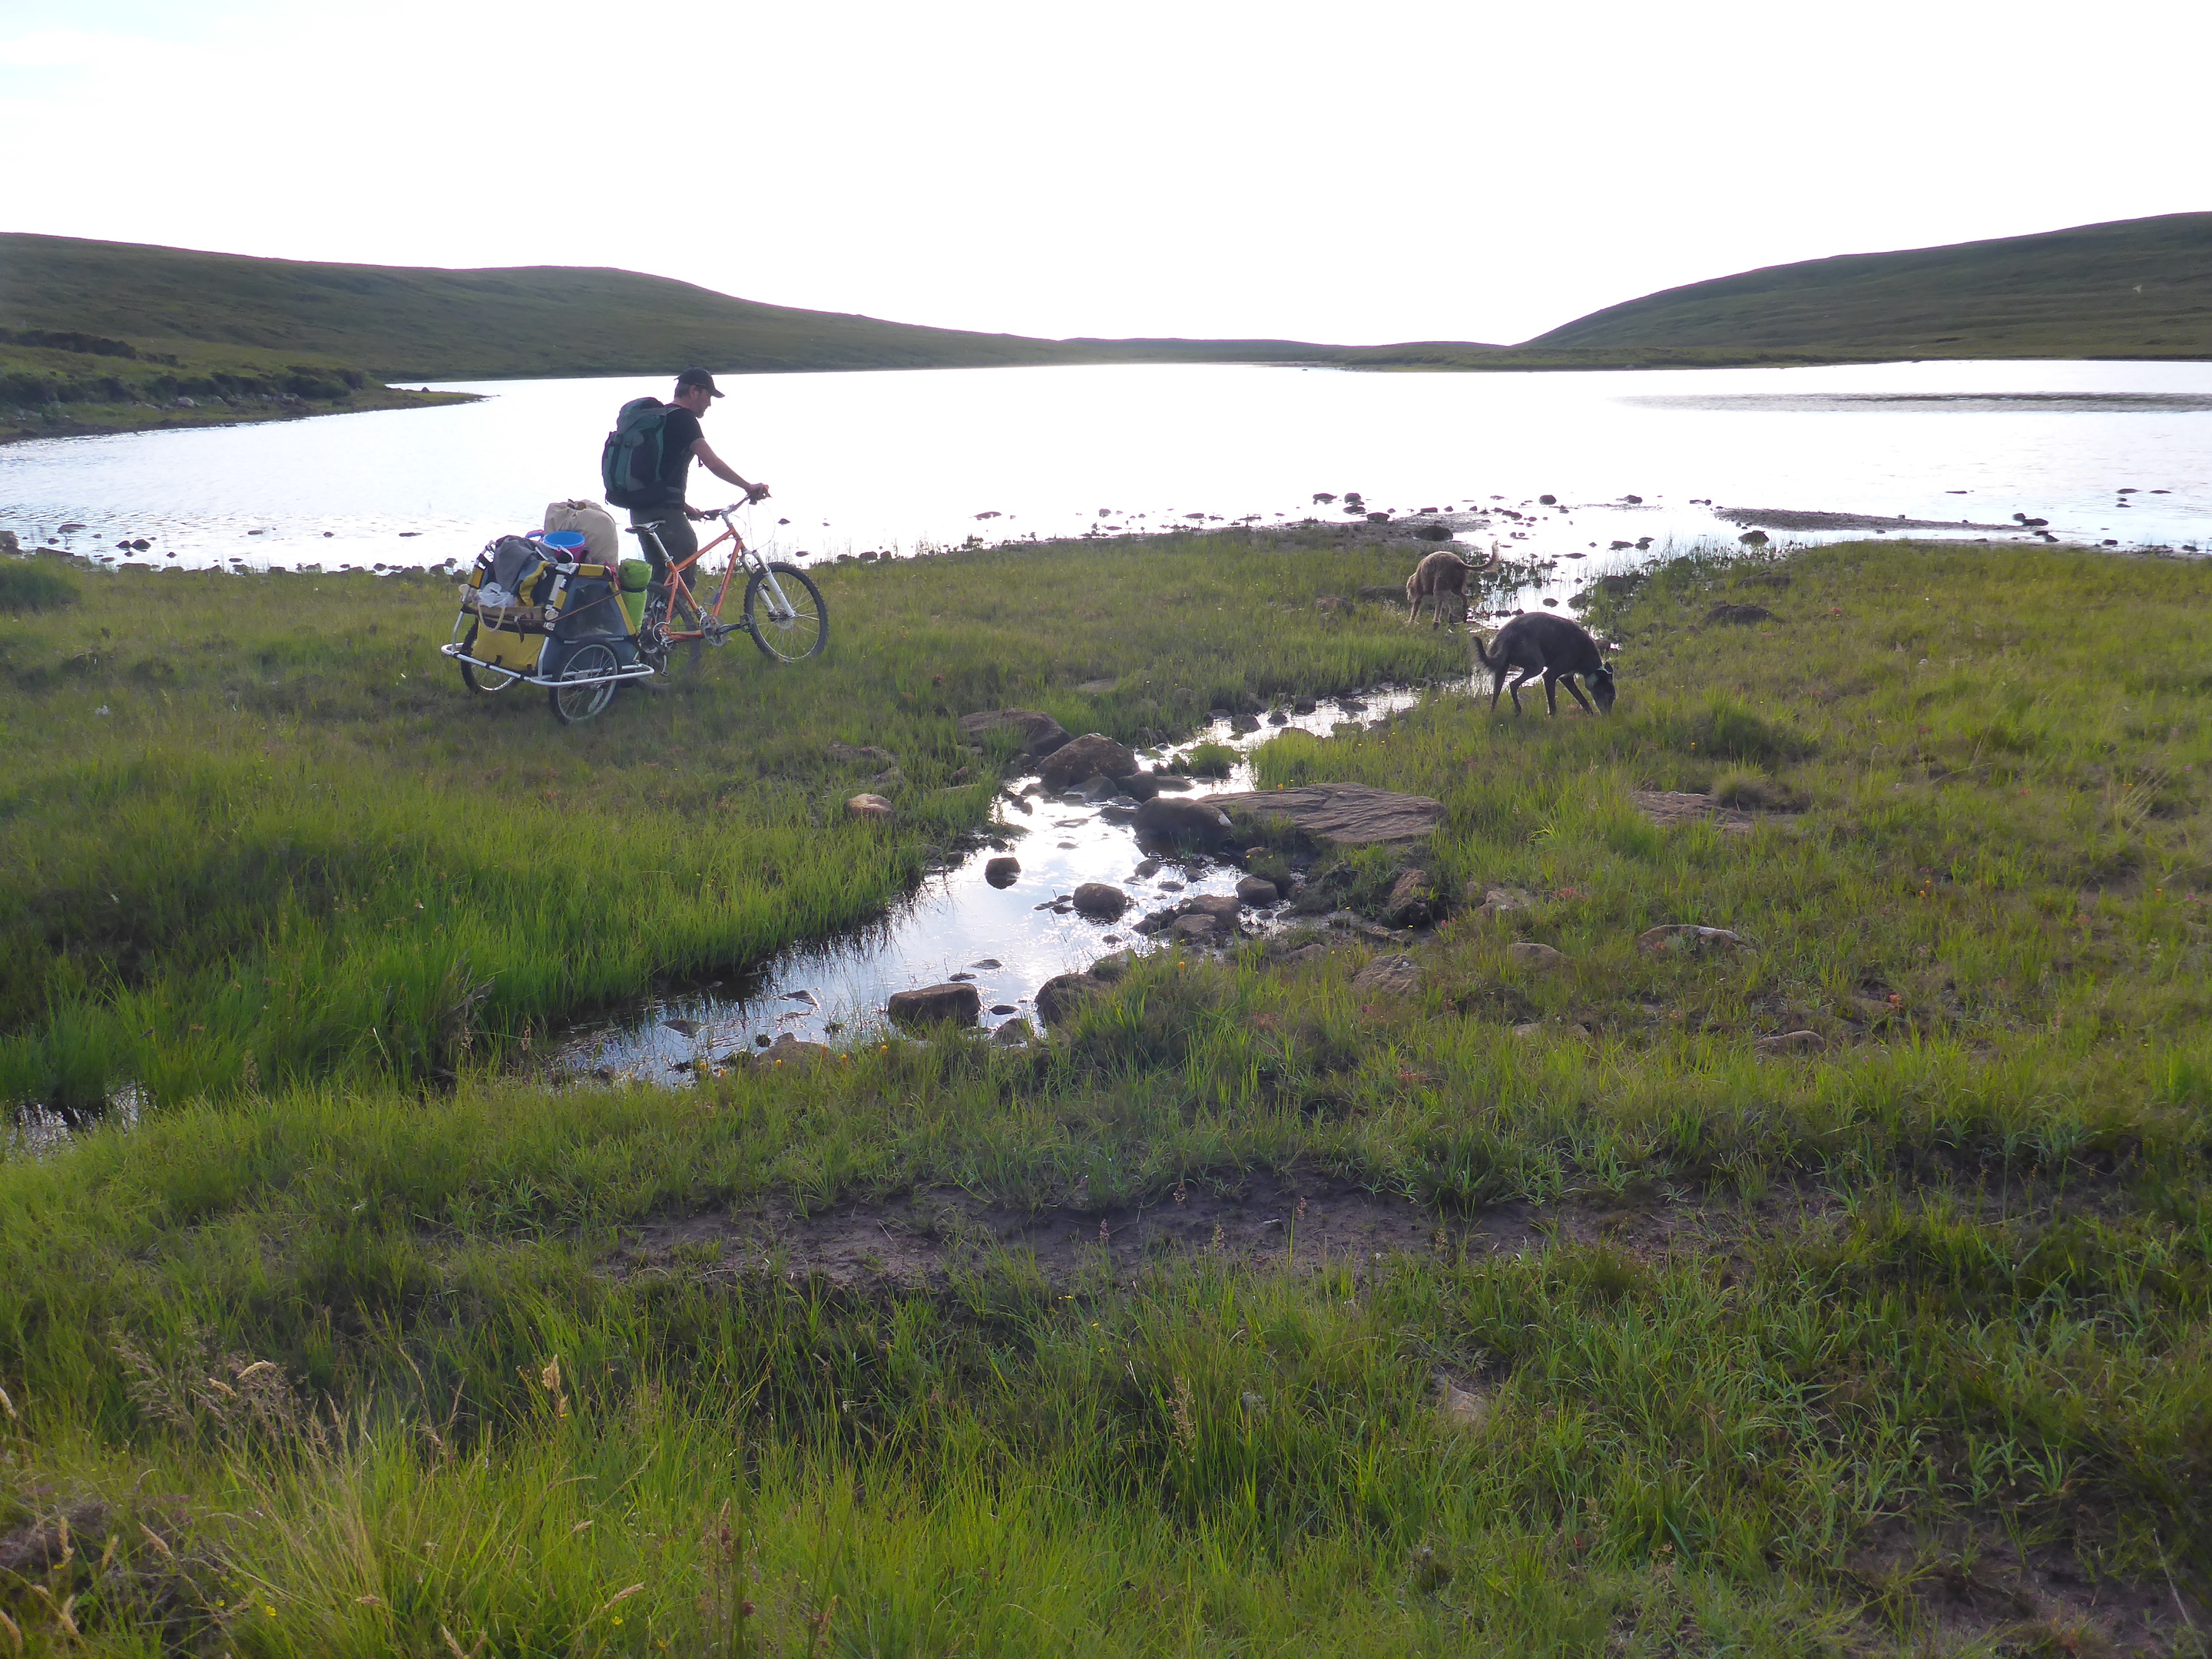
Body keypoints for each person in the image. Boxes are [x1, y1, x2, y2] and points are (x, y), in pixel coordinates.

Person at [628, 368, 770, 588]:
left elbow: (656, 474)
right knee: (682, 582)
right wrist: (748, 486)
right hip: (665, 516)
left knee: (660, 581)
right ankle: (666, 622)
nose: (709, 404)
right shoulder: (684, 418)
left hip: (640, 510)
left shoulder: (660, 419)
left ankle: (647, 622)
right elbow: (712, 462)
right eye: (708, 396)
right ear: (694, 391)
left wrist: (685, 507)